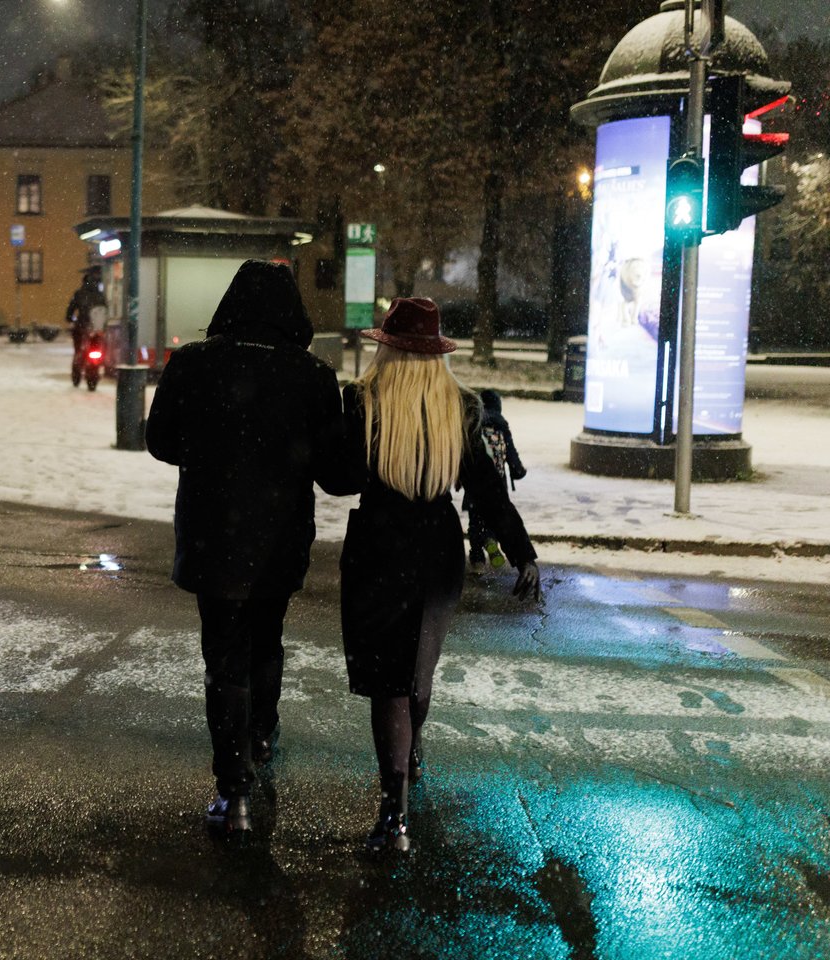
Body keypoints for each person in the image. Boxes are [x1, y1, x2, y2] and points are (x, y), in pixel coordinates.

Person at [146, 259, 351, 840]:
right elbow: (334, 471)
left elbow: (160, 442)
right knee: (267, 638)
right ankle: (260, 734)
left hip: (212, 536)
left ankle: (232, 789)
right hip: (279, 538)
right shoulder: (313, 376)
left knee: (223, 655)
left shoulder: (192, 363)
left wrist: (211, 448)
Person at [338, 297, 540, 854]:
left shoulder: (361, 400)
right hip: (437, 547)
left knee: (389, 683)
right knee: (417, 673)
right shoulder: (462, 407)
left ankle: (393, 815)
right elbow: (488, 492)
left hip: (379, 544)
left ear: (387, 348)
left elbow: (340, 477)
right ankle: (412, 749)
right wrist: (522, 552)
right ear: (437, 354)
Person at [463, 388, 527, 572]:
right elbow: (511, 454)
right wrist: (518, 471)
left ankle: (477, 559)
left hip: (475, 483)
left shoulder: (474, 424)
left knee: (475, 520)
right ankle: (491, 539)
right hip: (496, 484)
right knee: (494, 515)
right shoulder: (501, 426)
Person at [65, 266, 107, 384]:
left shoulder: (79, 293)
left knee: (78, 349)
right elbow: (105, 310)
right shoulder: (100, 295)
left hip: (81, 327)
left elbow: (70, 310)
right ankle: (94, 368)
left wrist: (69, 318)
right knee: (98, 346)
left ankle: (77, 372)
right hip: (97, 328)